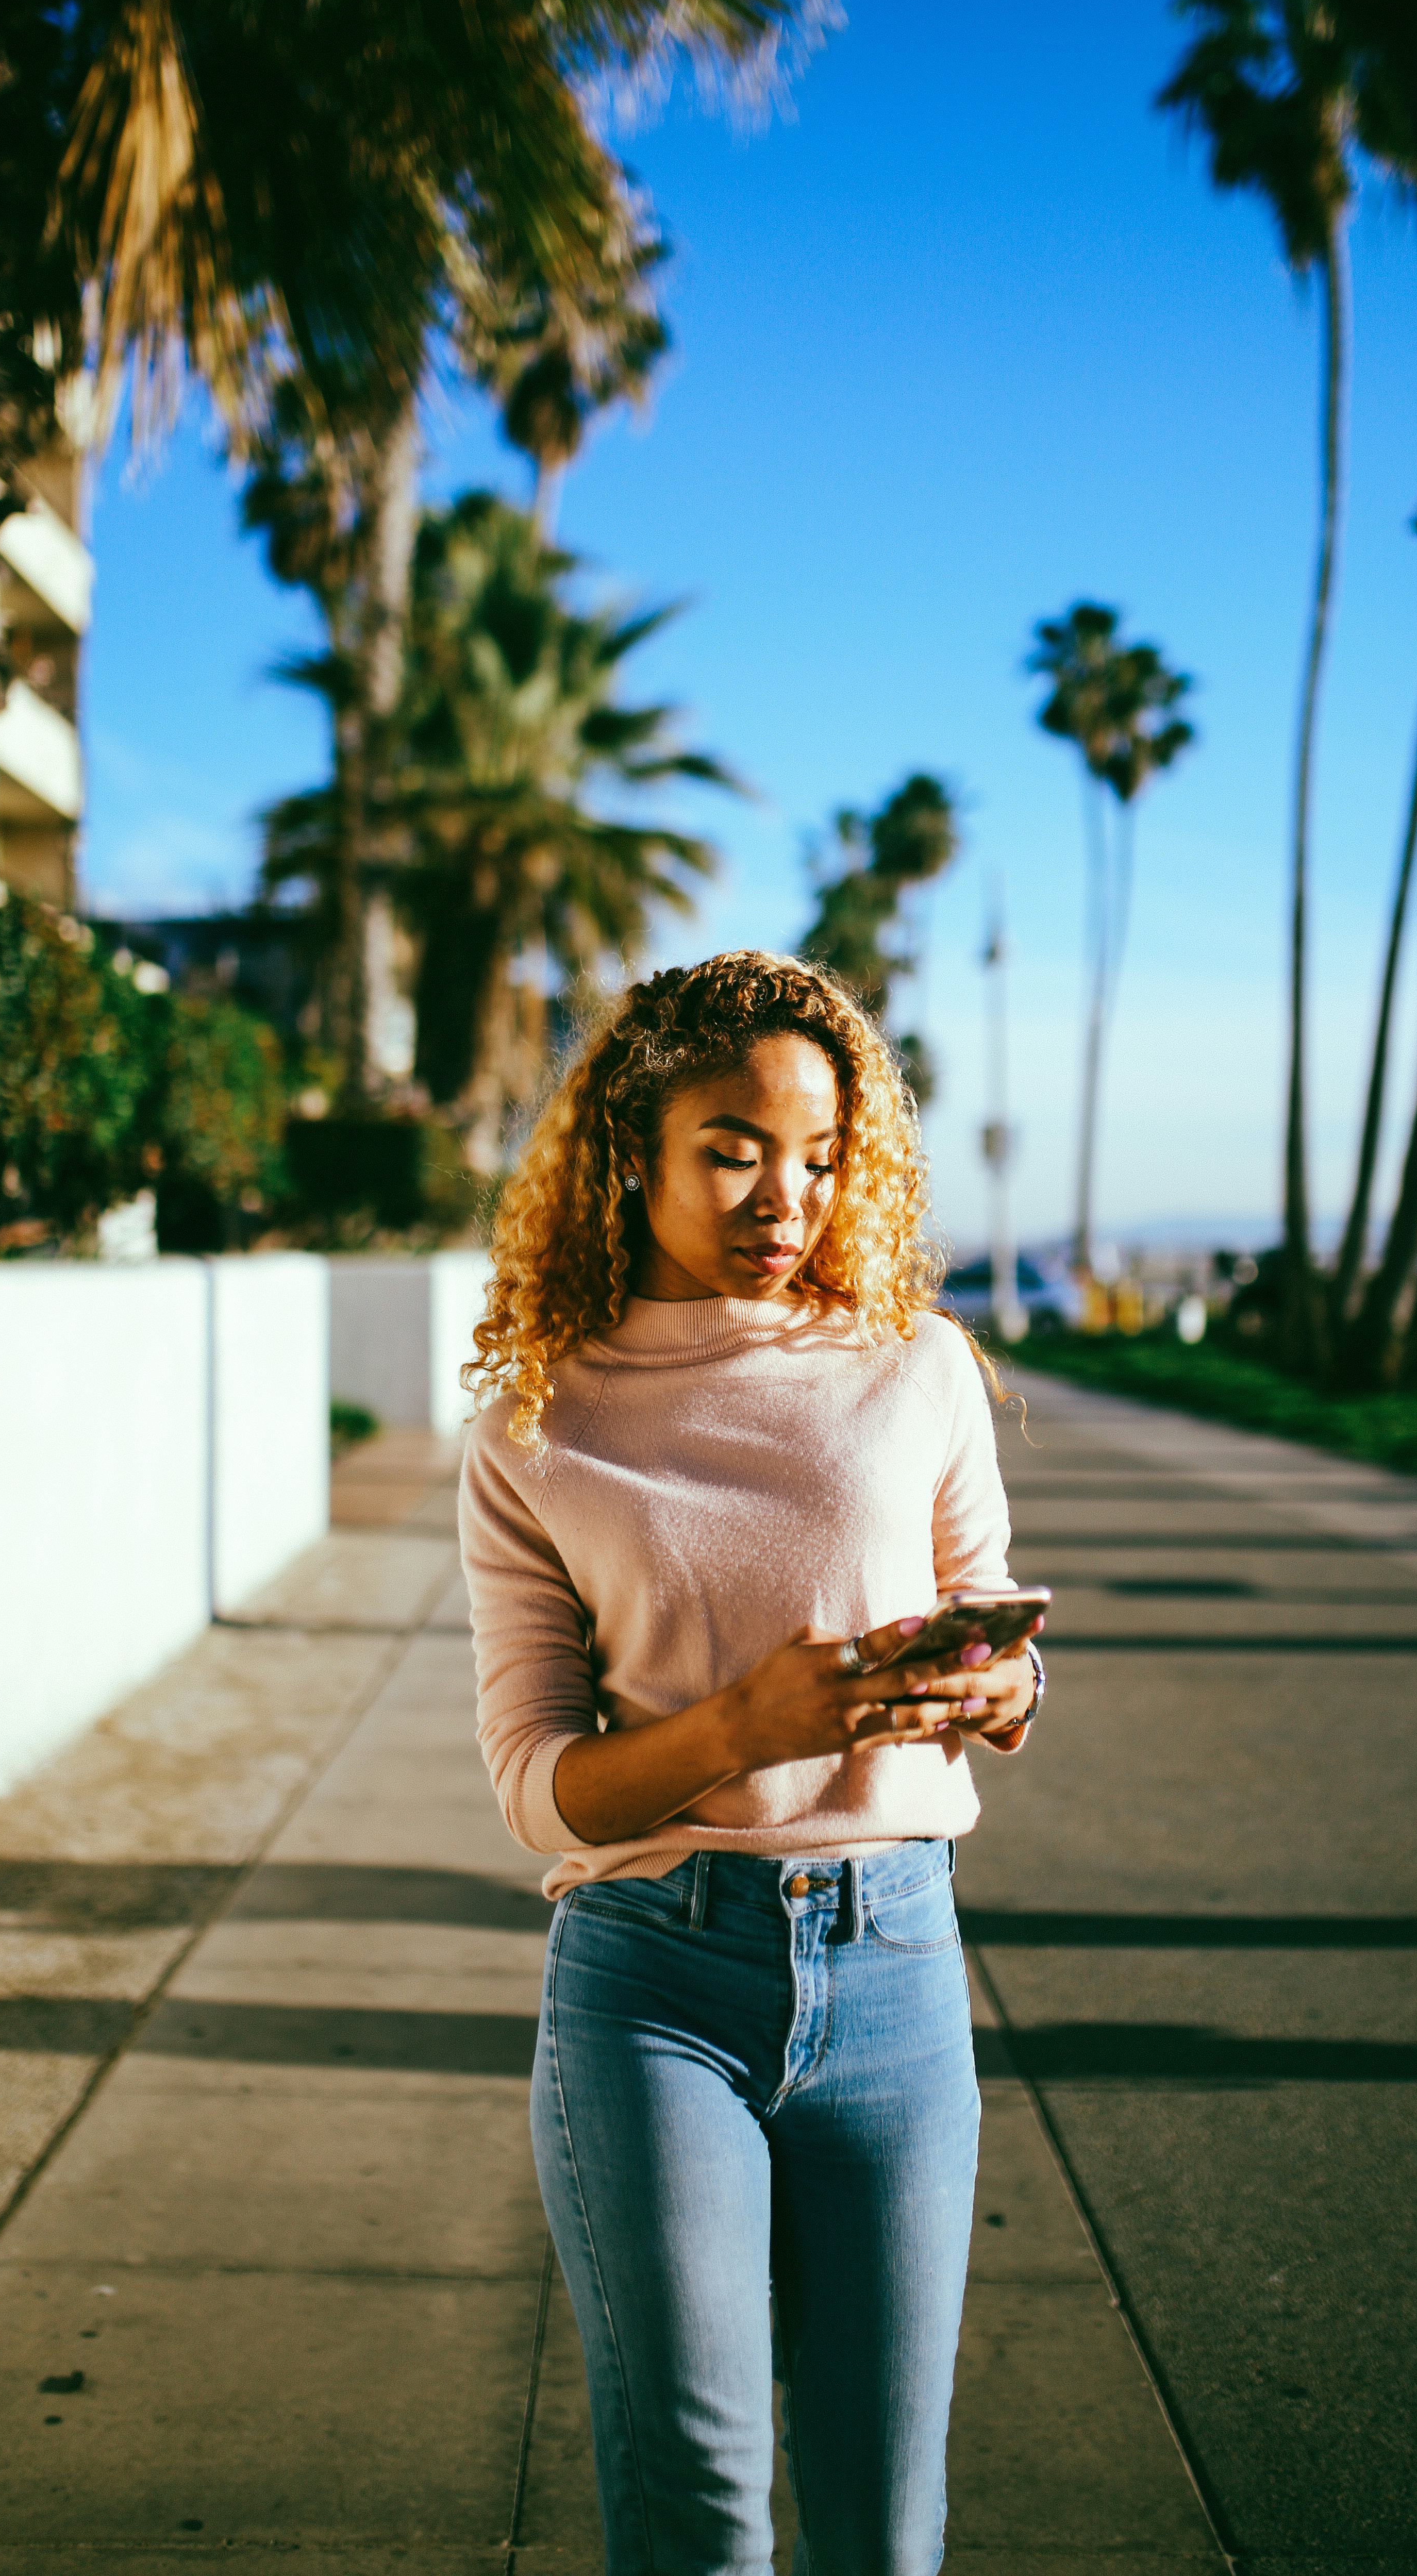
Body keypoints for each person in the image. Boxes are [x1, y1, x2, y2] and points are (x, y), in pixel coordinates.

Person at [460, 950, 1043, 2576]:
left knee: (885, 2527)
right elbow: (533, 1784)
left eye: (819, 1155)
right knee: (702, 2516)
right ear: (630, 1151)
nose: (784, 1193)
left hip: (900, 1975)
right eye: (734, 1148)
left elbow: (991, 1620)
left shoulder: (916, 1364)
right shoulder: (534, 1418)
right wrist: (743, 1733)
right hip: (653, 1985)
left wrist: (998, 1689)